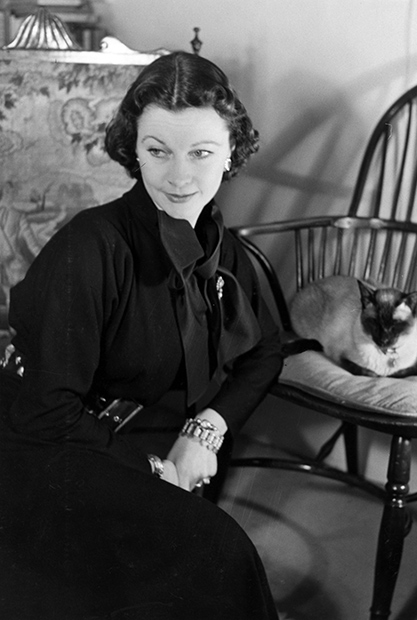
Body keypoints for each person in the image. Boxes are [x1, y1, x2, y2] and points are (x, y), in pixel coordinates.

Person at [0, 51, 283, 619]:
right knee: (220, 551)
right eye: (158, 151)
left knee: (210, 559)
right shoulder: (91, 247)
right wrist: (156, 470)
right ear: (135, 152)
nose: (180, 177)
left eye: (201, 153)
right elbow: (46, 413)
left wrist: (205, 432)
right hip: (44, 446)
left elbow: (266, 352)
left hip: (136, 438)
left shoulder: (221, 245)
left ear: (232, 154)